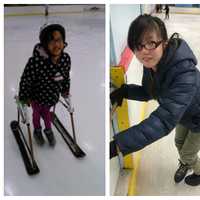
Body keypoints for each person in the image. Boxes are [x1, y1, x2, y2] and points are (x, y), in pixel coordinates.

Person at [110, 14, 200, 186]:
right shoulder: (152, 65)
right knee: (179, 142)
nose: (144, 51)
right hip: (184, 113)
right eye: (138, 45)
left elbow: (163, 120)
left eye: (151, 43)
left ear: (164, 42)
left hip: (198, 118)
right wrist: (124, 91)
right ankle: (187, 161)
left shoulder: (185, 74)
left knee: (187, 153)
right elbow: (148, 92)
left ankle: (197, 169)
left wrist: (118, 146)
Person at [19, 24, 71, 147]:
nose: (56, 45)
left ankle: (48, 130)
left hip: (51, 96)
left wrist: (65, 90)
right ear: (44, 44)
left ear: (63, 41)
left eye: (58, 40)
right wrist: (24, 96)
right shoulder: (36, 61)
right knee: (36, 115)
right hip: (36, 96)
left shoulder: (65, 59)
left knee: (47, 115)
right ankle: (37, 130)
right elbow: (26, 80)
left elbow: (65, 77)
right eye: (51, 41)